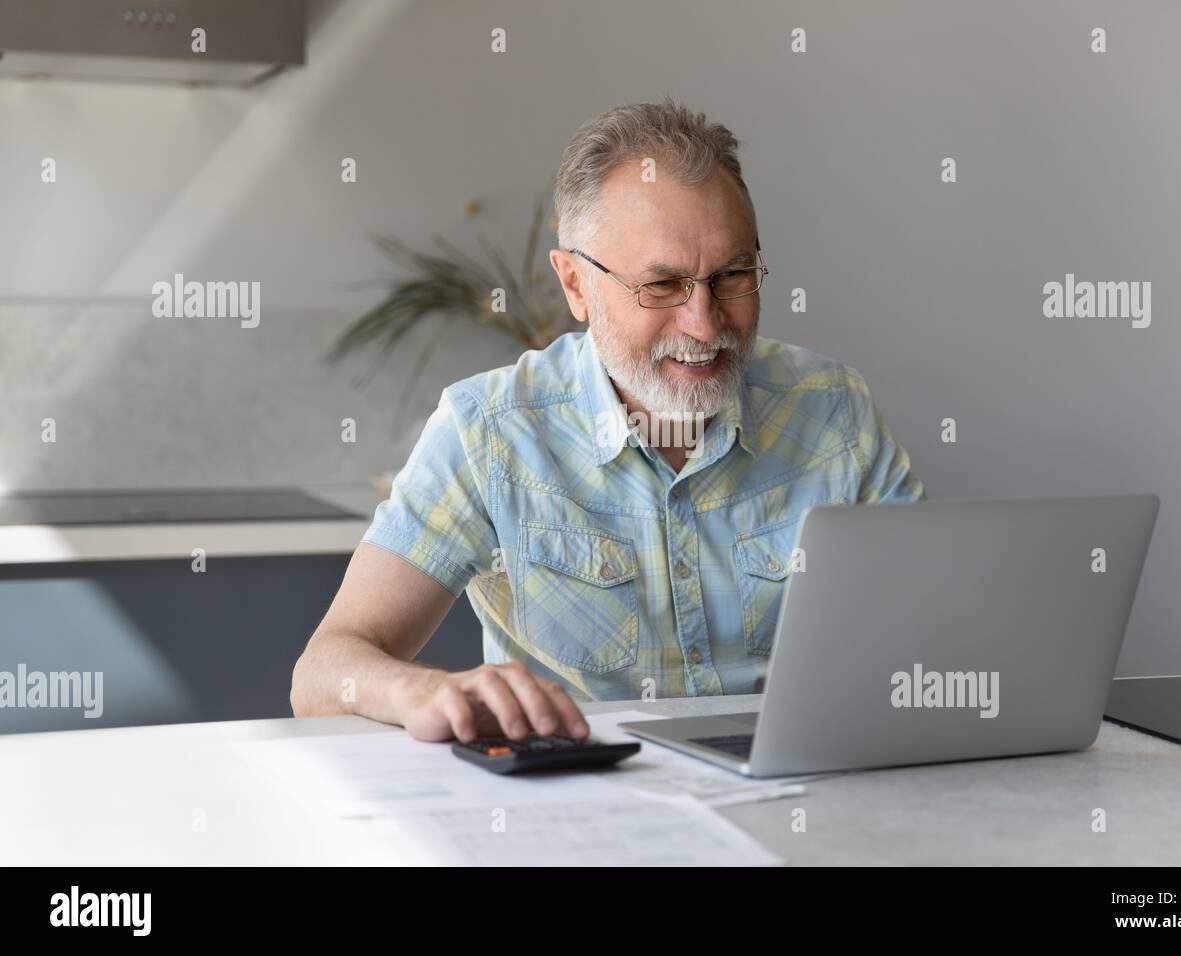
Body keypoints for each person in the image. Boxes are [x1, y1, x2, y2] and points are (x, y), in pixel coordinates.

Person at [291, 97, 925, 742]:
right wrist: (423, 689)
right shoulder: (489, 431)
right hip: (580, 791)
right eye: (662, 286)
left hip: (798, 782)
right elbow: (322, 672)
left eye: (732, 274)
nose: (704, 324)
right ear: (575, 285)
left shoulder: (833, 408)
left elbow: (931, 625)